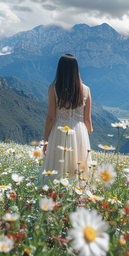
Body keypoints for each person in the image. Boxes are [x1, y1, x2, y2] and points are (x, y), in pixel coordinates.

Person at [42, 53, 93, 181]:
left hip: (59, 130)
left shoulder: (53, 88)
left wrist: (45, 140)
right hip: (79, 131)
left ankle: (54, 193)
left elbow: (51, 117)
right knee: (77, 166)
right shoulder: (86, 90)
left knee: (58, 165)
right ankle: (78, 196)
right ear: (76, 70)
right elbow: (87, 118)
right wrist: (90, 130)